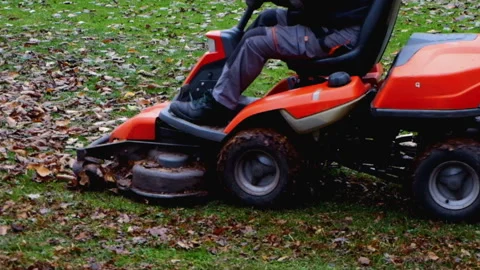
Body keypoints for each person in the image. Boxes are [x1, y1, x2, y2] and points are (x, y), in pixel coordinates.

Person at [169, 0, 373, 126]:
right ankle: (221, 89)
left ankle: (218, 106)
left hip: (339, 35)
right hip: (338, 21)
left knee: (254, 41)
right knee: (267, 18)